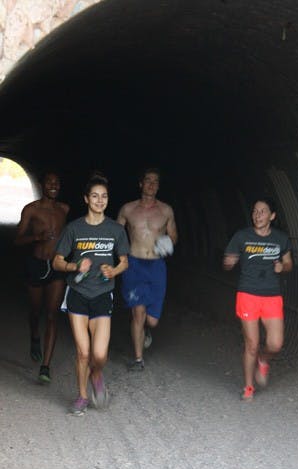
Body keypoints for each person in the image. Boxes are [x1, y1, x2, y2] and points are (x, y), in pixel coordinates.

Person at [52, 173, 129, 415]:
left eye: (104, 196)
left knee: (99, 354)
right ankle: (82, 396)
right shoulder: (74, 228)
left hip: (102, 294)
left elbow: (125, 261)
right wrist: (76, 266)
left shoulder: (116, 229)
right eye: (94, 196)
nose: (99, 200)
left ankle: (96, 374)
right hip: (77, 294)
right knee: (83, 352)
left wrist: (113, 270)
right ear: (86, 199)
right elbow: (56, 262)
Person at [223, 198, 293, 402]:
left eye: (262, 211)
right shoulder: (242, 236)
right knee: (251, 344)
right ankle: (248, 387)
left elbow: (288, 263)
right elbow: (228, 261)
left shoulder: (281, 239)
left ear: (272, 216)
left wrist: (283, 267)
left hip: (272, 295)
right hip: (248, 294)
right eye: (255, 211)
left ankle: (264, 359)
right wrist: (229, 262)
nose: (257, 215)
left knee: (275, 343)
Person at [117, 167, 178, 370]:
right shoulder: (127, 209)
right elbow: (116, 233)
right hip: (134, 264)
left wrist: (168, 243)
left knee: (151, 321)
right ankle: (138, 359)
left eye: (155, 181)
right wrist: (119, 255)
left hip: (156, 267)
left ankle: (146, 331)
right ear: (141, 183)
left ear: (158, 186)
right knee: (138, 313)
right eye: (148, 180)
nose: (151, 184)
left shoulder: (166, 210)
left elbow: (174, 235)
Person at [14, 171, 69, 383]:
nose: (53, 186)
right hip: (36, 264)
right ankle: (35, 335)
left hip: (56, 267)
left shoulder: (64, 209)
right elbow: (17, 240)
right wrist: (37, 237)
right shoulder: (31, 210)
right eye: (49, 182)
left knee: (52, 315)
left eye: (57, 182)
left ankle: (45, 367)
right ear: (41, 185)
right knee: (36, 311)